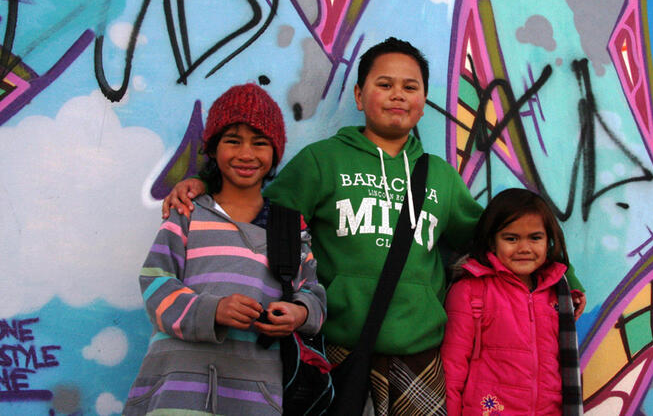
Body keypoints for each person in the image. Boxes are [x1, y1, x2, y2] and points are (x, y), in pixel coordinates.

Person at [162, 37, 584, 415]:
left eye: (410, 86)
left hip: (420, 352)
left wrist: (562, 279)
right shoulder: (322, 161)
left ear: (422, 100)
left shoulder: (438, 176)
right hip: (338, 348)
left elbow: (497, 239)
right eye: (384, 85)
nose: (397, 95)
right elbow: (257, 209)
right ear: (361, 96)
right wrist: (205, 186)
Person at [125, 83, 326, 415]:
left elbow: (313, 292)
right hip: (175, 390)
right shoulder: (187, 213)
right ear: (213, 149)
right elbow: (155, 283)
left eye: (260, 143)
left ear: (275, 152)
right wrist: (212, 311)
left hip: (254, 393)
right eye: (232, 141)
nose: (246, 154)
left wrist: (299, 313)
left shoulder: (290, 227)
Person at [441, 188, 583, 416]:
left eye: (535, 238)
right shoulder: (470, 291)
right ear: (492, 241)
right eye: (511, 238)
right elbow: (452, 369)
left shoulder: (557, 296)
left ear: (549, 241)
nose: (524, 248)